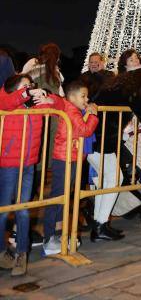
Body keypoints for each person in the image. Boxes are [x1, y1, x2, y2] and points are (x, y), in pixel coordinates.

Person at [88, 49, 141, 242]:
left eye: (137, 58)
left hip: (94, 136)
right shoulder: (132, 87)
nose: (136, 60)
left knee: (109, 179)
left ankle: (99, 225)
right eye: (131, 58)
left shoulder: (115, 84)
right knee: (113, 179)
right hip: (103, 139)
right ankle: (100, 225)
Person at [42, 80, 99, 255]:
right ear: (72, 97)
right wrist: (93, 115)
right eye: (83, 96)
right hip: (64, 158)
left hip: (71, 157)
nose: (86, 99)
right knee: (58, 196)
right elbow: (84, 130)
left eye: (87, 96)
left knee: (64, 196)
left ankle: (58, 235)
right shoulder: (70, 108)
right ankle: (48, 237)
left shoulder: (75, 108)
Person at [0, 74, 49, 277]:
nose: (31, 88)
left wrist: (50, 99)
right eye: (25, 86)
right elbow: (6, 99)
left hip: (28, 165)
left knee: (23, 210)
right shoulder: (7, 103)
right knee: (3, 211)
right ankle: (2, 251)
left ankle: (21, 252)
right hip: (9, 165)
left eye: (31, 85)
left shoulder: (35, 108)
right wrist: (27, 91)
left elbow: (61, 106)